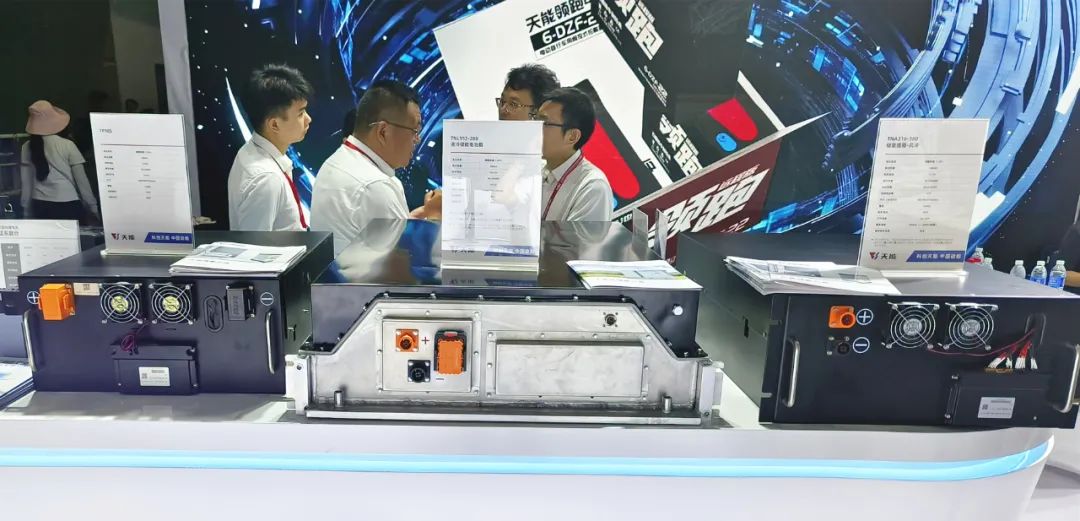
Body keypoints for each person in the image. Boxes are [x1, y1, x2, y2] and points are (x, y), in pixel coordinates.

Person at [311, 80, 441, 251]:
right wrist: (435, 217)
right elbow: (407, 258)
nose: (417, 139)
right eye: (414, 131)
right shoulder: (375, 186)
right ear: (383, 132)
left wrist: (425, 211)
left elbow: (381, 233)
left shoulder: (339, 160)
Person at [227, 64, 313, 231]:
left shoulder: (252, 151)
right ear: (274, 124)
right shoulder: (266, 179)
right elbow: (255, 244)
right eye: (300, 113)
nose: (308, 119)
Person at [533, 87, 613, 221]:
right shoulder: (535, 169)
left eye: (544, 122)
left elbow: (577, 237)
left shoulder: (592, 188)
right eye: (535, 119)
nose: (533, 128)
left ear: (572, 136)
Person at [19, 101, 100, 222]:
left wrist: (26, 209)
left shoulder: (26, 147)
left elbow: (26, 182)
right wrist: (93, 207)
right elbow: (82, 182)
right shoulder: (67, 145)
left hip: (39, 206)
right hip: (68, 205)